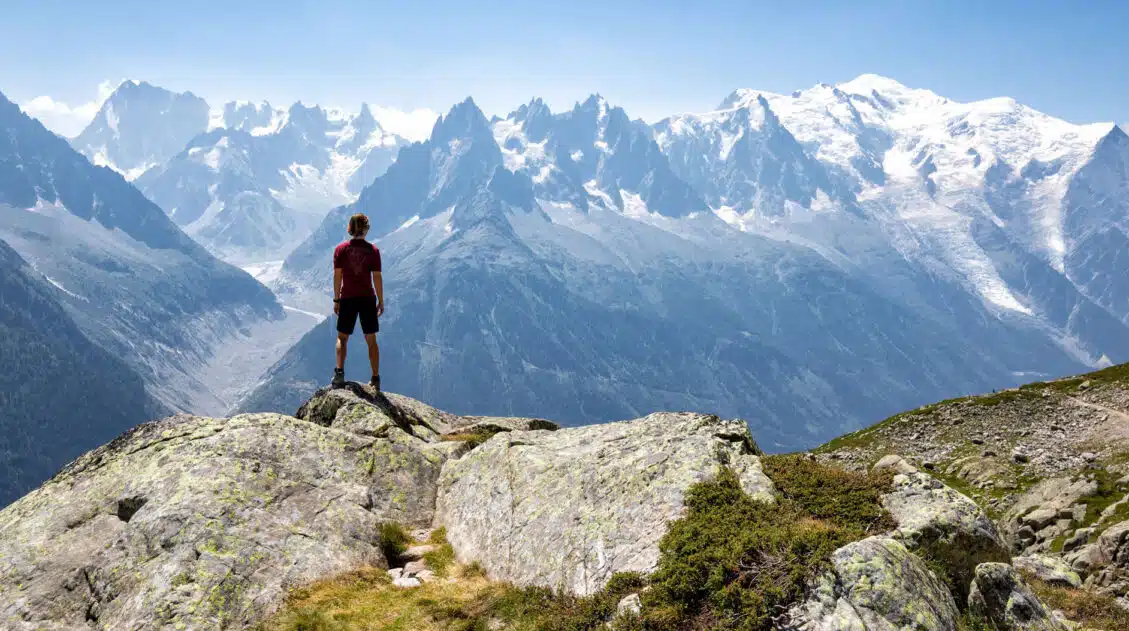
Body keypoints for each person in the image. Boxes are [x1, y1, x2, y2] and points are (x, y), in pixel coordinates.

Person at [331, 213, 384, 389]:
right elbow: (377, 277)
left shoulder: (340, 249)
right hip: (367, 298)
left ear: (350, 228)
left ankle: (339, 374)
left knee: (342, 338)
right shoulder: (373, 251)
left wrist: (336, 299)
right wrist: (381, 300)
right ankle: (375, 378)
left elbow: (337, 276)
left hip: (347, 297)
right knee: (371, 340)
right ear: (366, 229)